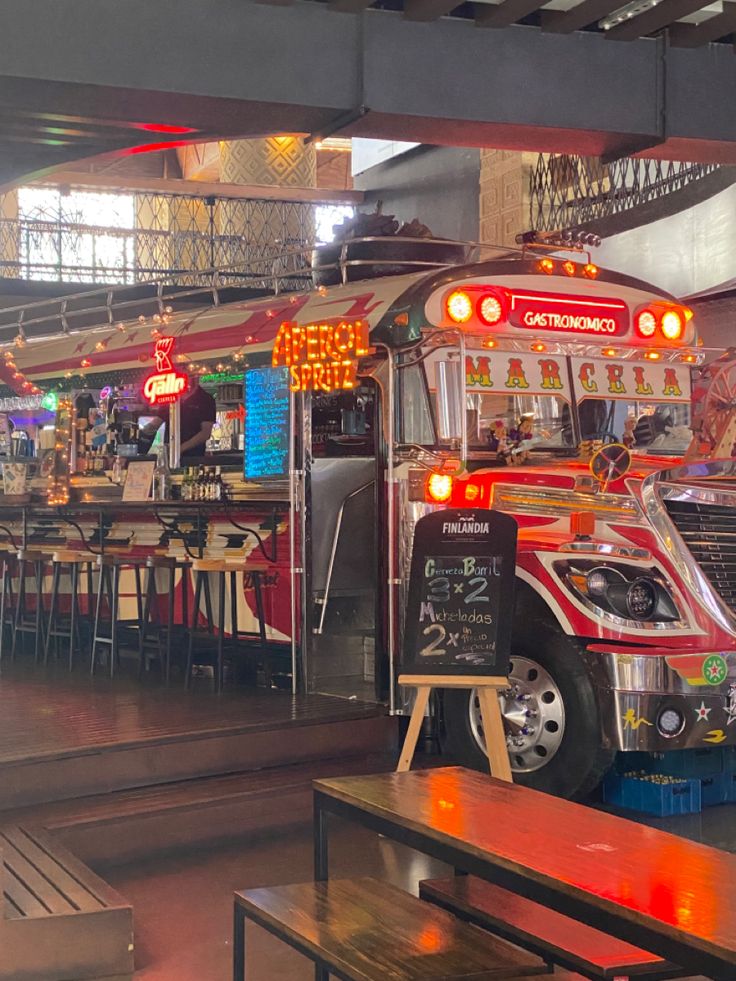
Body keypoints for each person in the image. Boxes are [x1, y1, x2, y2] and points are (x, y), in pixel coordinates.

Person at [139, 377, 216, 458]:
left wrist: (180, 449)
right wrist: (140, 439)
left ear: (197, 377)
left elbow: (205, 433)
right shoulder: (170, 397)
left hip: (194, 457)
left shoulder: (206, 399)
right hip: (170, 455)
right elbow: (156, 423)